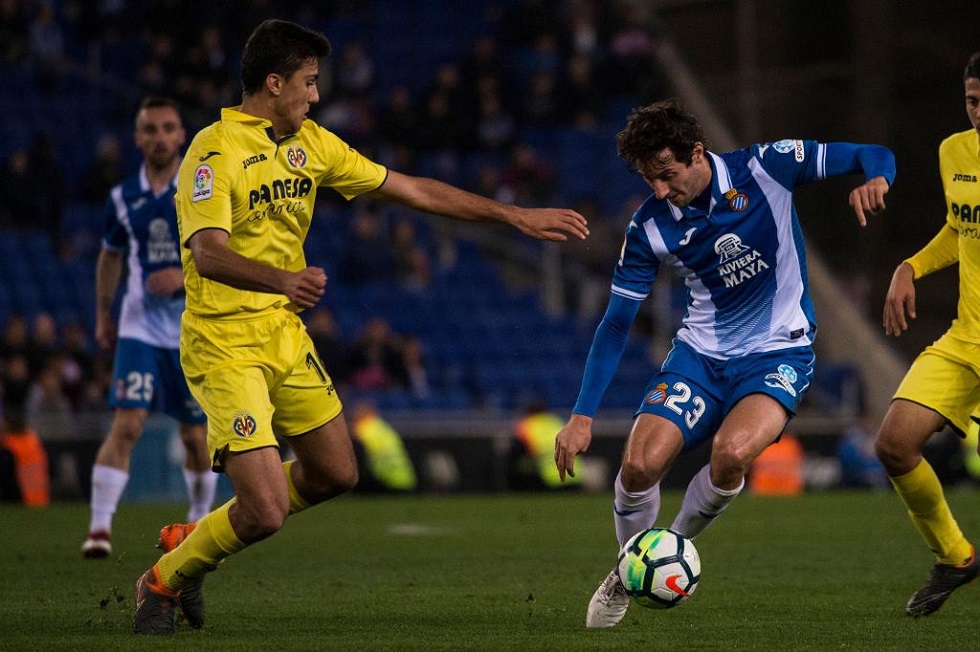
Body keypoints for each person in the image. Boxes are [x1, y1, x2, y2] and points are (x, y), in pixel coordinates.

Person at [133, 18, 588, 635]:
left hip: (284, 335)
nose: (315, 95)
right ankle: (160, 582)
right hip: (223, 342)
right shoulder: (211, 152)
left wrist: (512, 215)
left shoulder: (312, 144)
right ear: (273, 83)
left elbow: (412, 190)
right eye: (308, 82)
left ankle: (193, 538)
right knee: (265, 511)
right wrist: (283, 280)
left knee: (337, 473)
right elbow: (207, 252)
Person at [552, 98, 894, 628]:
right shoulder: (649, 226)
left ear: (696, 151)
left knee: (731, 453)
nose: (661, 190)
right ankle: (629, 568)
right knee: (639, 465)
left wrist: (877, 180)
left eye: (666, 174)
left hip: (779, 351)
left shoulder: (768, 166)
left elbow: (873, 154)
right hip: (701, 355)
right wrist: (581, 415)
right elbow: (618, 321)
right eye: (649, 180)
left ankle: (666, 552)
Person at [81, 97, 216, 560]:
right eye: (150, 129)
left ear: (182, 135)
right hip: (139, 327)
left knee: (196, 437)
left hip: (191, 330)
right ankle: (99, 529)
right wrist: (103, 314)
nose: (160, 137)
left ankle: (198, 516)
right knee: (128, 425)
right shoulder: (122, 198)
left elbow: (225, 251)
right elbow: (110, 255)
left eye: (168, 128)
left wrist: (181, 277)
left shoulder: (201, 190)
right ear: (137, 138)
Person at [873, 50, 980, 617]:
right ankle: (957, 557)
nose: (979, 113)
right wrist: (909, 266)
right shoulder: (954, 151)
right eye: (972, 101)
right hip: (967, 339)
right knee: (894, 443)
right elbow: (960, 228)